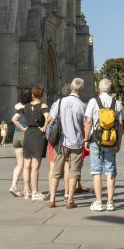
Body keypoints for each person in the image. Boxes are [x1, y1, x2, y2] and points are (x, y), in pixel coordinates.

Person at [84, 78, 123, 212]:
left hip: (96, 140)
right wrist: (119, 142)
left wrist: (86, 139)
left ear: (99, 88)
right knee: (110, 171)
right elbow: (120, 125)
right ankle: (110, 202)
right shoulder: (117, 103)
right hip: (111, 140)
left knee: (96, 171)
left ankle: (99, 202)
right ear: (110, 89)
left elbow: (88, 121)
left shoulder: (93, 101)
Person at [47, 77, 87, 209]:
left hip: (60, 142)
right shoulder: (82, 105)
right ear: (81, 89)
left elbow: (50, 118)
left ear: (70, 87)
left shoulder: (59, 102)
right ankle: (70, 199)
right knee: (74, 171)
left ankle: (52, 199)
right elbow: (85, 124)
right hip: (76, 142)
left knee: (56, 171)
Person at [18, 85, 49, 201]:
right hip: (37, 135)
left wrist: (22, 128)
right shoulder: (43, 106)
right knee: (35, 167)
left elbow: (14, 119)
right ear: (42, 94)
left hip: (28, 135)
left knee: (26, 165)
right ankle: (35, 192)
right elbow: (49, 117)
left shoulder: (25, 106)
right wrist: (44, 127)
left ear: (32, 94)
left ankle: (27, 191)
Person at [9, 88, 31, 197]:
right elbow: (14, 119)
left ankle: (14, 185)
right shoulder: (27, 107)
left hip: (16, 136)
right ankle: (27, 189)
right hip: (24, 135)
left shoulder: (16, 105)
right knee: (27, 164)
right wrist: (23, 129)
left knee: (19, 164)